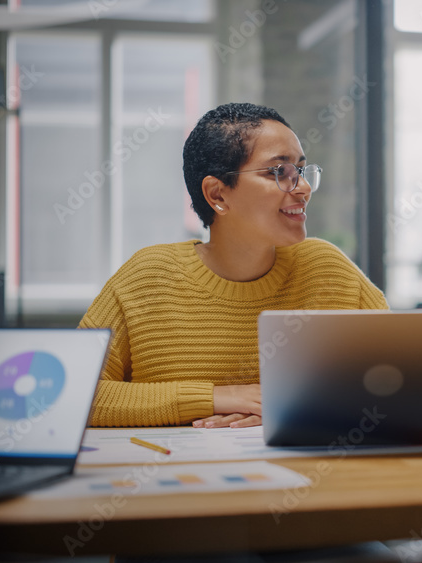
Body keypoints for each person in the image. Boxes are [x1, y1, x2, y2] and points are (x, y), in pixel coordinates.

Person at [80, 102, 388, 429]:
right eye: (279, 172)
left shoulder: (330, 270)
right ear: (218, 195)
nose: (304, 188)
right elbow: (76, 395)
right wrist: (221, 398)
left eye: (300, 170)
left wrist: (296, 405)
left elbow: (399, 378)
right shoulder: (147, 278)